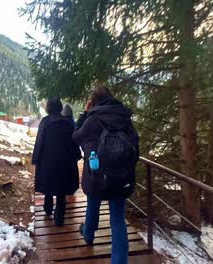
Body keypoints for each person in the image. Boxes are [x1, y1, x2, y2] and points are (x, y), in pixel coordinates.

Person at [73, 86, 139, 264]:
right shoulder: (126, 119)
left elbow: (76, 136)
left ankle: (88, 234)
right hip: (121, 179)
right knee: (117, 219)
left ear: (93, 102)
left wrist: (85, 114)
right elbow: (136, 152)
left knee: (93, 203)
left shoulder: (92, 120)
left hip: (96, 176)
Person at [32, 98, 81, 226]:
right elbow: (74, 141)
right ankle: (59, 217)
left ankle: (48, 208)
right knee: (61, 188)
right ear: (59, 107)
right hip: (66, 160)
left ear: (48, 108)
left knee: (49, 183)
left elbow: (40, 141)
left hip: (47, 160)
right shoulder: (67, 122)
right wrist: (78, 154)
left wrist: (36, 158)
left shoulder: (45, 122)